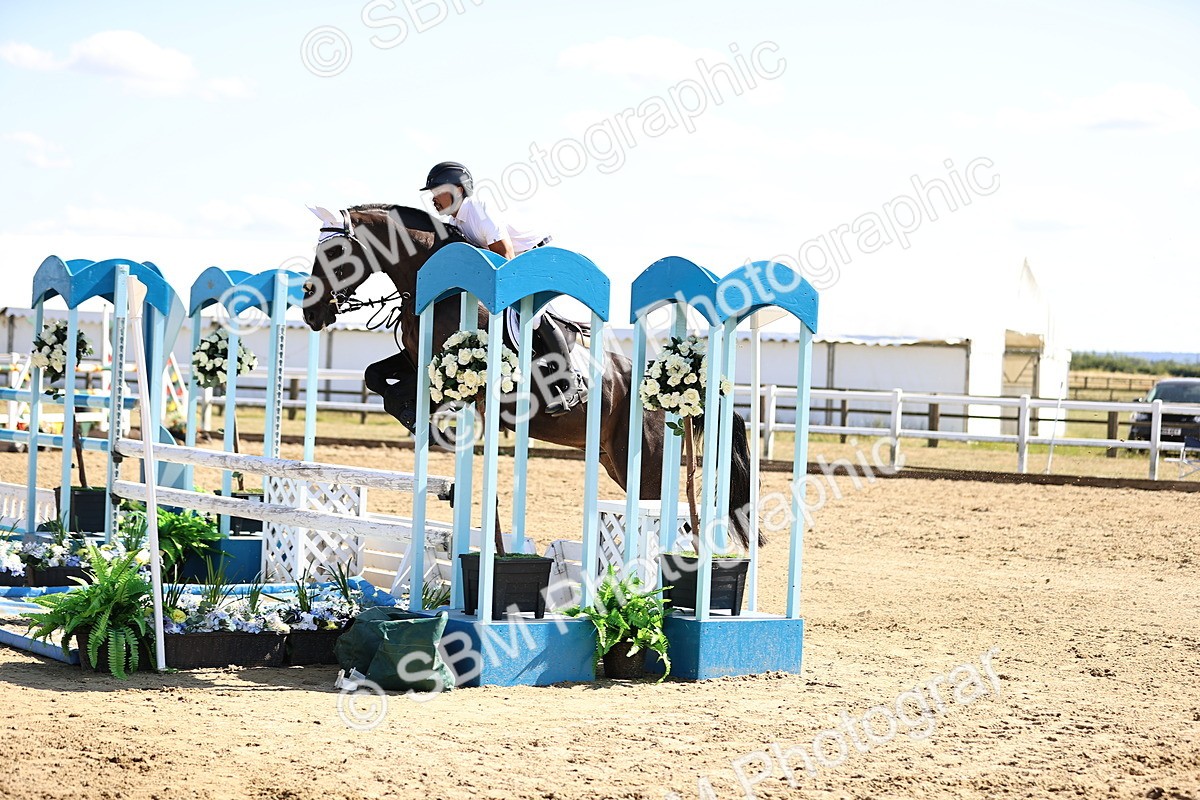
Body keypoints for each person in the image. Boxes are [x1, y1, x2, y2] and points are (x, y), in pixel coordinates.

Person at [420, 161, 584, 416]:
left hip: (537, 256)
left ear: (458, 190)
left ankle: (571, 381)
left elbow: (504, 255)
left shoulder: (478, 210)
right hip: (518, 259)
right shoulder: (457, 220)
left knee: (533, 313)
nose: (433, 199)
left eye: (437, 192)